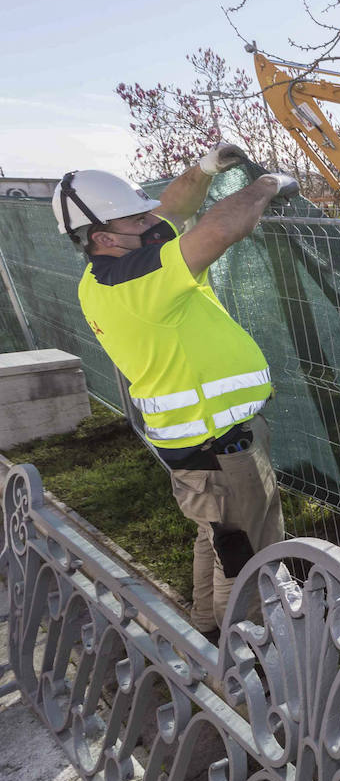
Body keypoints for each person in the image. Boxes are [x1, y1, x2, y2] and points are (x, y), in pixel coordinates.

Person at [52, 145, 298, 641]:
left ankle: (206, 632)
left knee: (218, 536)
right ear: (104, 236)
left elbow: (171, 209)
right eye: (137, 219)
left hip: (196, 444)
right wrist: (267, 184)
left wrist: (205, 170)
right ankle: (247, 660)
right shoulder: (141, 279)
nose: (152, 222)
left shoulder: (107, 272)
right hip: (219, 444)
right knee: (247, 554)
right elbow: (219, 229)